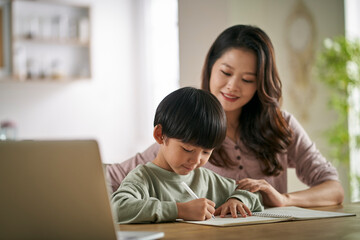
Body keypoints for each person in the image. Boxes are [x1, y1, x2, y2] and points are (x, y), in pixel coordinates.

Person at [107, 24, 344, 208]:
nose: (232, 86)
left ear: (260, 83)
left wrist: (285, 199)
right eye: (226, 72)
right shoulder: (187, 130)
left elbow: (333, 188)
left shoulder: (282, 125)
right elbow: (111, 178)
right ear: (210, 67)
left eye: (247, 79)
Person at [111, 87, 263, 224]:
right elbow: (117, 208)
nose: (197, 161)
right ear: (160, 135)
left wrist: (236, 199)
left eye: (206, 152)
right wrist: (179, 210)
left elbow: (255, 197)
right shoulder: (144, 178)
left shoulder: (207, 179)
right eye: (188, 149)